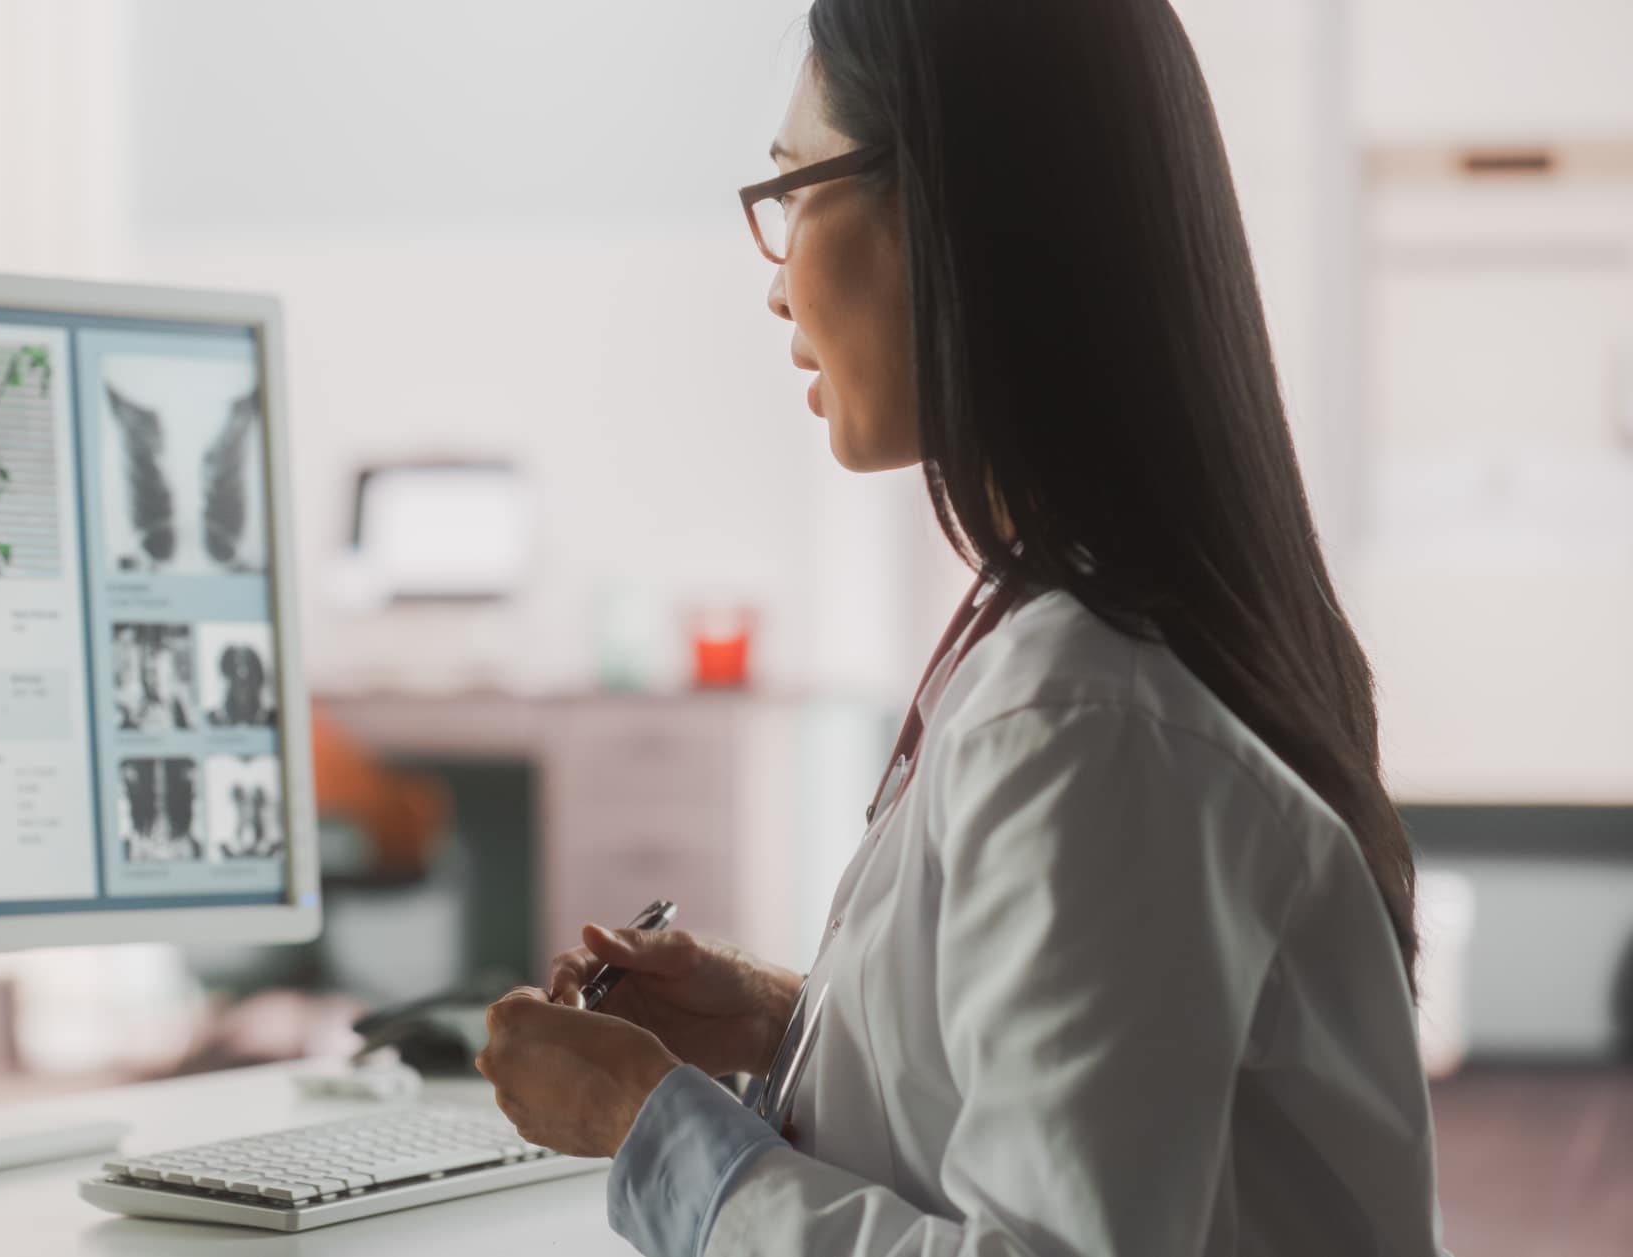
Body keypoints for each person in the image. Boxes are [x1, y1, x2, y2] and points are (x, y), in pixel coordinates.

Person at [472, 3, 1445, 1254]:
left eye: (794, 193)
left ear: (951, 218)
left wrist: (646, 1123)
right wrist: (791, 1021)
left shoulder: (1085, 715)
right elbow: (1097, 1091)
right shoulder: (1082, 649)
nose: (775, 286)